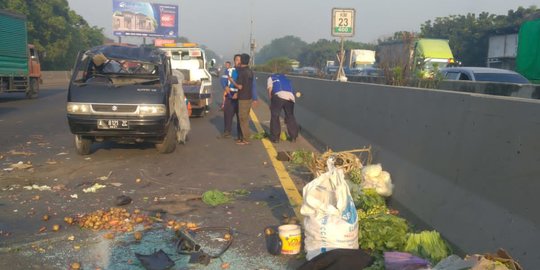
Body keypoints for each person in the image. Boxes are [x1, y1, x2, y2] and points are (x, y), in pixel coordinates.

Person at [228, 53, 254, 145]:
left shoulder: (242, 72)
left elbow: (240, 86)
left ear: (242, 61)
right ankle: (243, 138)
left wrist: (232, 81)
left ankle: (246, 139)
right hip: (248, 97)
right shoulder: (250, 71)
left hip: (243, 98)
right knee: (244, 118)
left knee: (243, 119)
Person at [267, 73, 299, 143]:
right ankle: (293, 137)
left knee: (275, 116)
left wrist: (271, 102)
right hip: (290, 98)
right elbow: (292, 91)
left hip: (279, 96)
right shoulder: (287, 79)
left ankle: (275, 138)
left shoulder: (271, 78)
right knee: (290, 116)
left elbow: (270, 90)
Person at [220, 59, 240, 138]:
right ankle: (227, 131)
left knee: (241, 117)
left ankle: (240, 134)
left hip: (241, 96)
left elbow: (250, 84)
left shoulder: (245, 72)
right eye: (237, 60)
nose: (238, 62)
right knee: (228, 114)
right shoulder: (229, 70)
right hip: (230, 95)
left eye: (240, 60)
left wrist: (254, 97)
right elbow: (222, 79)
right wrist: (225, 87)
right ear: (234, 62)